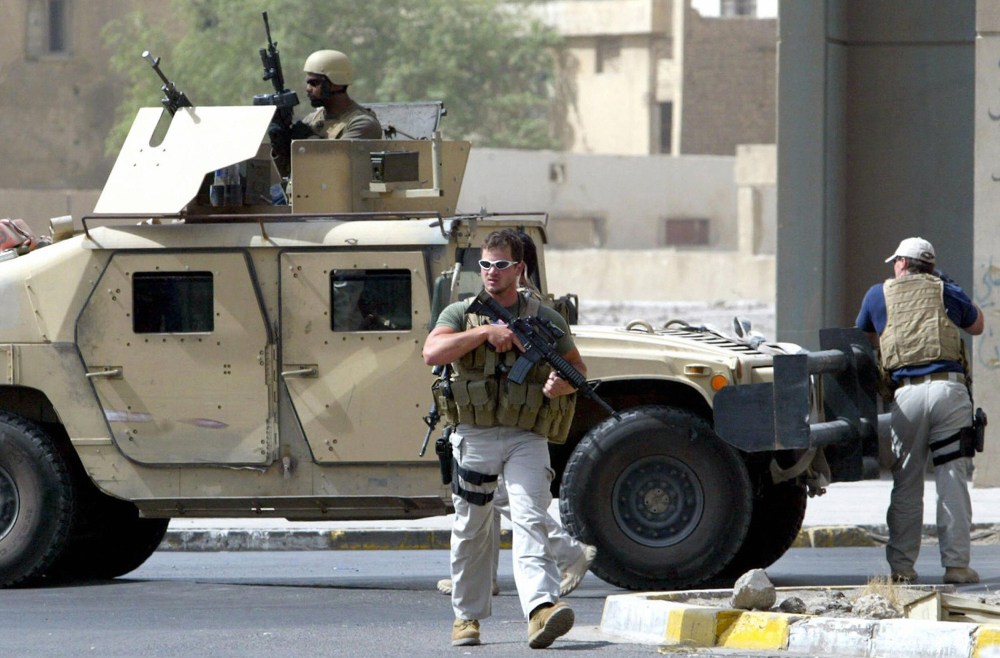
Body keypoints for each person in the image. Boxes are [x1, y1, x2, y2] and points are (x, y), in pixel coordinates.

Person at [423, 228, 584, 649]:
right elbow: (432, 353)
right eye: (485, 264)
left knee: (531, 517)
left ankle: (540, 610)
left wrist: (560, 384)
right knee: (472, 529)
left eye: (500, 264)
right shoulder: (461, 313)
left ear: (520, 268)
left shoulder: (545, 317)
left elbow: (576, 370)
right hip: (474, 436)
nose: (491, 273)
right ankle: (467, 618)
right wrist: (483, 334)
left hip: (525, 436)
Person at [856, 237, 984, 585]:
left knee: (907, 481)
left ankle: (901, 570)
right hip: (949, 390)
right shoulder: (946, 290)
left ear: (901, 263)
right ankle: (956, 566)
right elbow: (977, 324)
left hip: (907, 397)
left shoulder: (877, 294)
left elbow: (866, 335)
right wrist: (944, 283)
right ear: (929, 266)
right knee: (952, 478)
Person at [269, 49, 382, 182]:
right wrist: (280, 144)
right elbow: (289, 173)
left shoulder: (362, 124)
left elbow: (335, 166)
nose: (308, 88)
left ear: (335, 84)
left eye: (314, 83)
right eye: (307, 82)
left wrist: (306, 138)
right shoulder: (312, 120)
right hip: (307, 194)